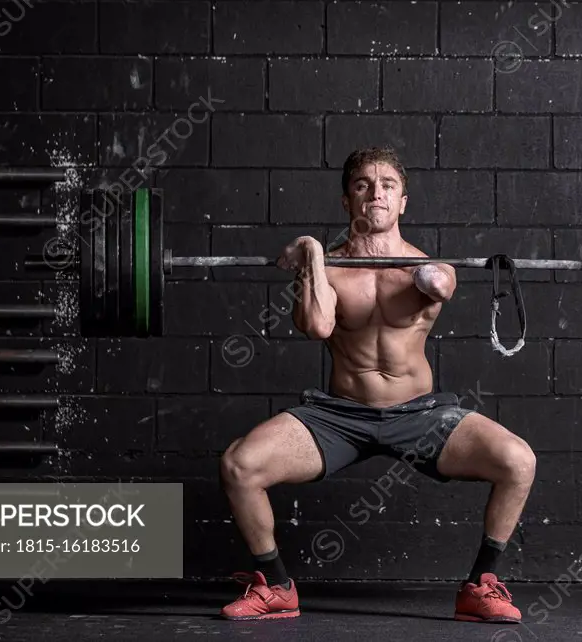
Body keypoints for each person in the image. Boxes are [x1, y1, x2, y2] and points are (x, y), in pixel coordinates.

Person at [218, 147, 537, 623]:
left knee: (519, 460)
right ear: (347, 200)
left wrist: (433, 274)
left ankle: (480, 586)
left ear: (403, 201)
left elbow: (440, 284)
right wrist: (310, 253)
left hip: (422, 416)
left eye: (388, 184)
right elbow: (317, 326)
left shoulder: (426, 266)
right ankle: (278, 587)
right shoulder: (328, 269)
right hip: (339, 417)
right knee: (239, 464)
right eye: (363, 185)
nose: (376, 193)